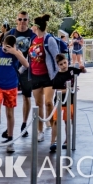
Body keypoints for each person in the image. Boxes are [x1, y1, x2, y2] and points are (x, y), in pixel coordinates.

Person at [28, 14, 61, 142]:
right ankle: (40, 131)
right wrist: (22, 70)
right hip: (35, 75)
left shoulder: (49, 40)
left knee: (48, 102)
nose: (32, 27)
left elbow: (56, 57)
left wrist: (60, 76)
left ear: (36, 27)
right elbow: (30, 58)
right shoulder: (33, 40)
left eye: (33, 25)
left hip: (48, 76)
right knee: (38, 104)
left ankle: (54, 131)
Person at [48, 54, 82, 153]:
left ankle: (67, 140)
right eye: (61, 64)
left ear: (67, 61)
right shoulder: (57, 76)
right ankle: (53, 141)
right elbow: (57, 89)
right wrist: (69, 89)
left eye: (65, 63)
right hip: (59, 101)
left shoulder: (72, 70)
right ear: (58, 65)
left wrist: (82, 68)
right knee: (55, 121)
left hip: (70, 101)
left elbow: (80, 71)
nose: (64, 65)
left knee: (67, 121)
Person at [9, 11, 36, 137]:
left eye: (25, 19)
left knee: (26, 96)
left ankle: (24, 124)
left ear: (28, 21)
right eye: (20, 19)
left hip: (27, 69)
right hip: (12, 68)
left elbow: (36, 51)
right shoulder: (11, 33)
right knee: (10, 97)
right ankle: (10, 126)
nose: (22, 22)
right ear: (16, 20)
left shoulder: (32, 35)